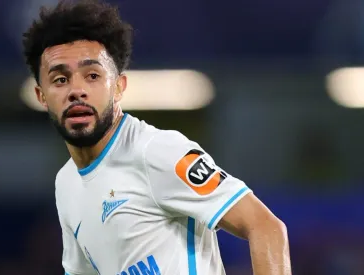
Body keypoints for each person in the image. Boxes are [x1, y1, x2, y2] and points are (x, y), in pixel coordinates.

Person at [22, 1, 291, 274]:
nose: (76, 90)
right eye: (60, 80)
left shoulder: (158, 151)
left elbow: (265, 227)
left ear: (118, 87)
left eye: (92, 75)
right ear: (41, 96)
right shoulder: (66, 184)